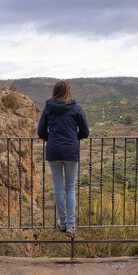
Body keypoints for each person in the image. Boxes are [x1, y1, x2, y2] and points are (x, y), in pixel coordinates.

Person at [37, 80, 89, 238]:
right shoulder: (76, 108)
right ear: (68, 91)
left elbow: (41, 132)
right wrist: (74, 137)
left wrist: (51, 139)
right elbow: (85, 132)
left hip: (54, 151)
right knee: (70, 188)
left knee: (58, 187)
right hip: (71, 151)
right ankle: (71, 226)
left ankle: (63, 222)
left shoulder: (48, 108)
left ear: (54, 92)